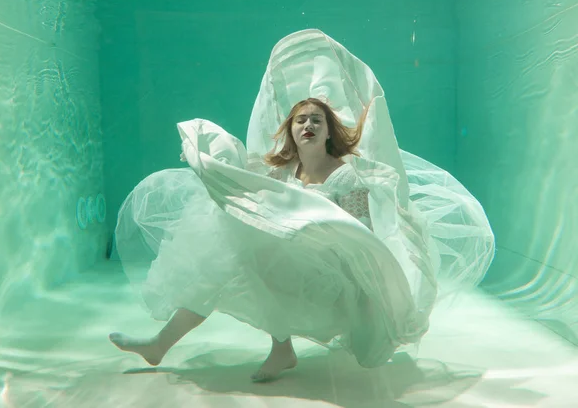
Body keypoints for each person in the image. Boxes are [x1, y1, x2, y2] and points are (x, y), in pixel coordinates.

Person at [109, 29, 495, 383]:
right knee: (223, 252)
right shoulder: (282, 170)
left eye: (316, 120)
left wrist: (312, 235)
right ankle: (169, 345)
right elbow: (245, 191)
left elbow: (363, 235)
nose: (307, 125)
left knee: (239, 257)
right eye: (300, 121)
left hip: (334, 278)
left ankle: (275, 349)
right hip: (288, 266)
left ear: (329, 131)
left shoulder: (346, 175)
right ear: (290, 131)